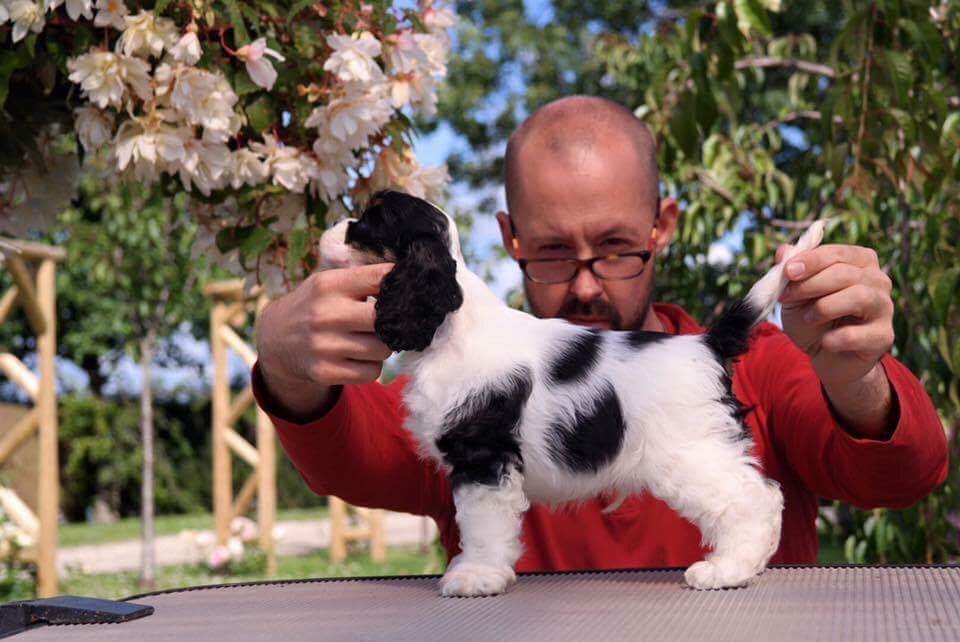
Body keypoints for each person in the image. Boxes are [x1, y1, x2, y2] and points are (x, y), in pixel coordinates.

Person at [253, 96, 948, 570]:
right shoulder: (452, 378)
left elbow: (907, 474)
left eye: (616, 248)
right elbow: (346, 458)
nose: (585, 285)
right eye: (554, 251)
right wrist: (286, 362)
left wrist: (853, 373)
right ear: (509, 239)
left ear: (662, 228)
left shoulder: (762, 366)